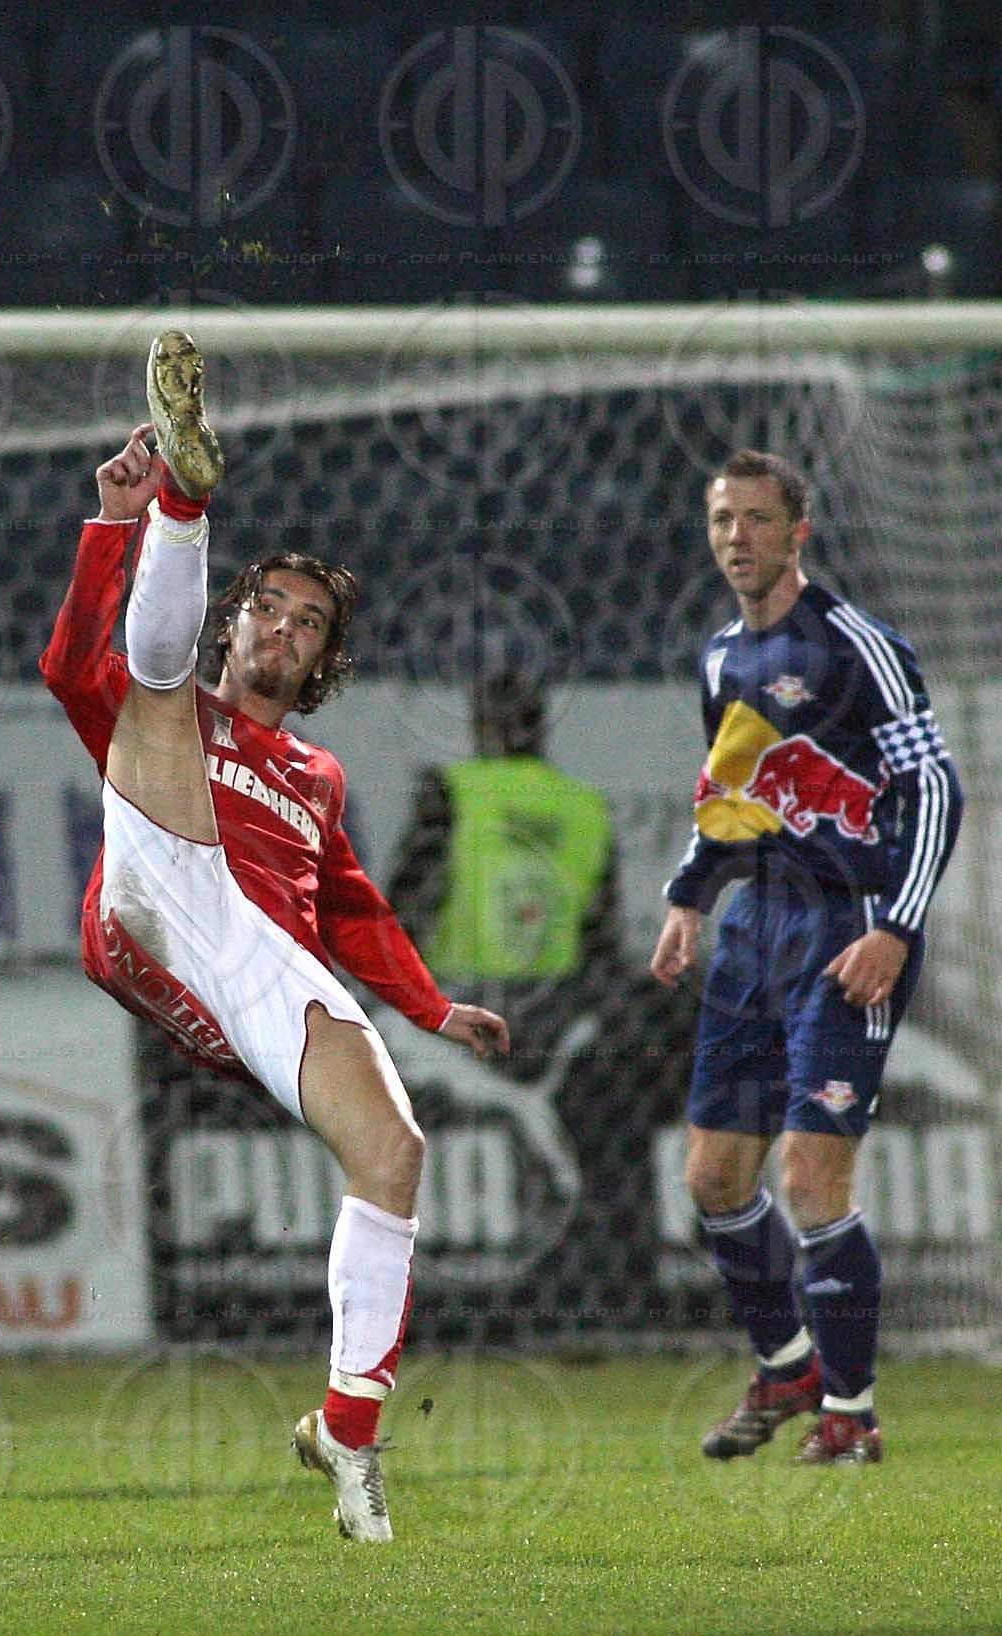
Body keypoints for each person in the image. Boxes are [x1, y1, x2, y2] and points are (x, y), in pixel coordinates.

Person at [40, 331, 509, 1543]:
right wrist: (114, 528)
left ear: (322, 660)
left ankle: (348, 1428)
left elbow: (349, 904)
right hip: (146, 902)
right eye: (268, 607)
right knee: (155, 695)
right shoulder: (172, 704)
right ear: (233, 620)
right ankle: (183, 504)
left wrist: (431, 1004)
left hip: (254, 970)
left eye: (309, 622)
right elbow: (68, 666)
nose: (285, 630)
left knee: (395, 1151)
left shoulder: (316, 775)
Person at [649, 450, 962, 1465]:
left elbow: (936, 788)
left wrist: (895, 927)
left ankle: (852, 1415)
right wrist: (690, 897)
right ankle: (787, 1366)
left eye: (756, 518)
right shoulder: (719, 659)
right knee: (713, 1176)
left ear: (798, 532)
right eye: (721, 519)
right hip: (754, 929)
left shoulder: (856, 645)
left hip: (846, 927)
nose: (736, 536)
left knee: (813, 1173)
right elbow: (728, 791)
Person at [386, 667, 620, 1072]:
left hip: (461, 994)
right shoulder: (586, 807)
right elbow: (602, 929)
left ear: (482, 724)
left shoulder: (454, 789)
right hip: (555, 1007)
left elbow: (408, 898)